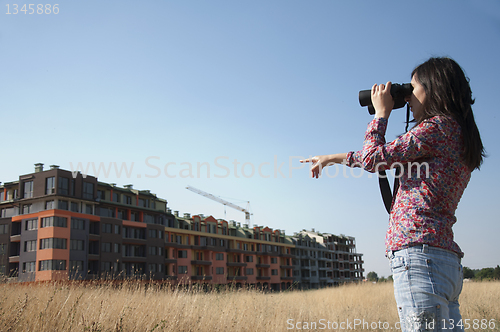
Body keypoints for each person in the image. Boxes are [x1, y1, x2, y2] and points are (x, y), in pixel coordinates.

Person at [300, 57, 485, 332]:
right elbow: (380, 158)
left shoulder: (436, 129)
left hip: (421, 258)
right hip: (444, 260)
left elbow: (374, 158)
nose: (408, 97)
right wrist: (332, 157)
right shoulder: (457, 133)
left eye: (412, 89)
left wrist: (381, 114)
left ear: (433, 89)